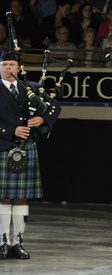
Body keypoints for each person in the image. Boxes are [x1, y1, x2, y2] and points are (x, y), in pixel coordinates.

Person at [0, 50, 61, 259]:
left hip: (26, 148)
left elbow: (54, 107)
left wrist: (42, 120)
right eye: (4, 65)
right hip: (3, 145)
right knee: (3, 197)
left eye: (11, 65)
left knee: (20, 198)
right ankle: (2, 242)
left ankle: (17, 242)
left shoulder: (31, 88)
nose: (7, 69)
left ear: (19, 68)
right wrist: (11, 130)